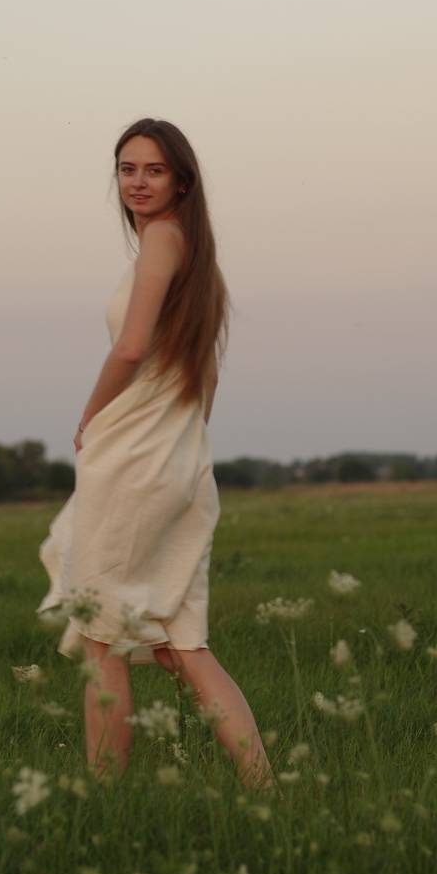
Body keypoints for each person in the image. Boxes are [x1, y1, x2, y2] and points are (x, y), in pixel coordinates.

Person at [37, 117, 274, 789]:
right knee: (183, 644)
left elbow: (132, 346)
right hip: (172, 462)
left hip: (135, 463)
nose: (138, 182)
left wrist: (90, 415)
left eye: (154, 170)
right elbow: (206, 378)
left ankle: (104, 801)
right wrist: (182, 451)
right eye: (127, 169)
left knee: (101, 640)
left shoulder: (163, 242)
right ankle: (267, 791)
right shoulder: (194, 255)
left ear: (181, 181)